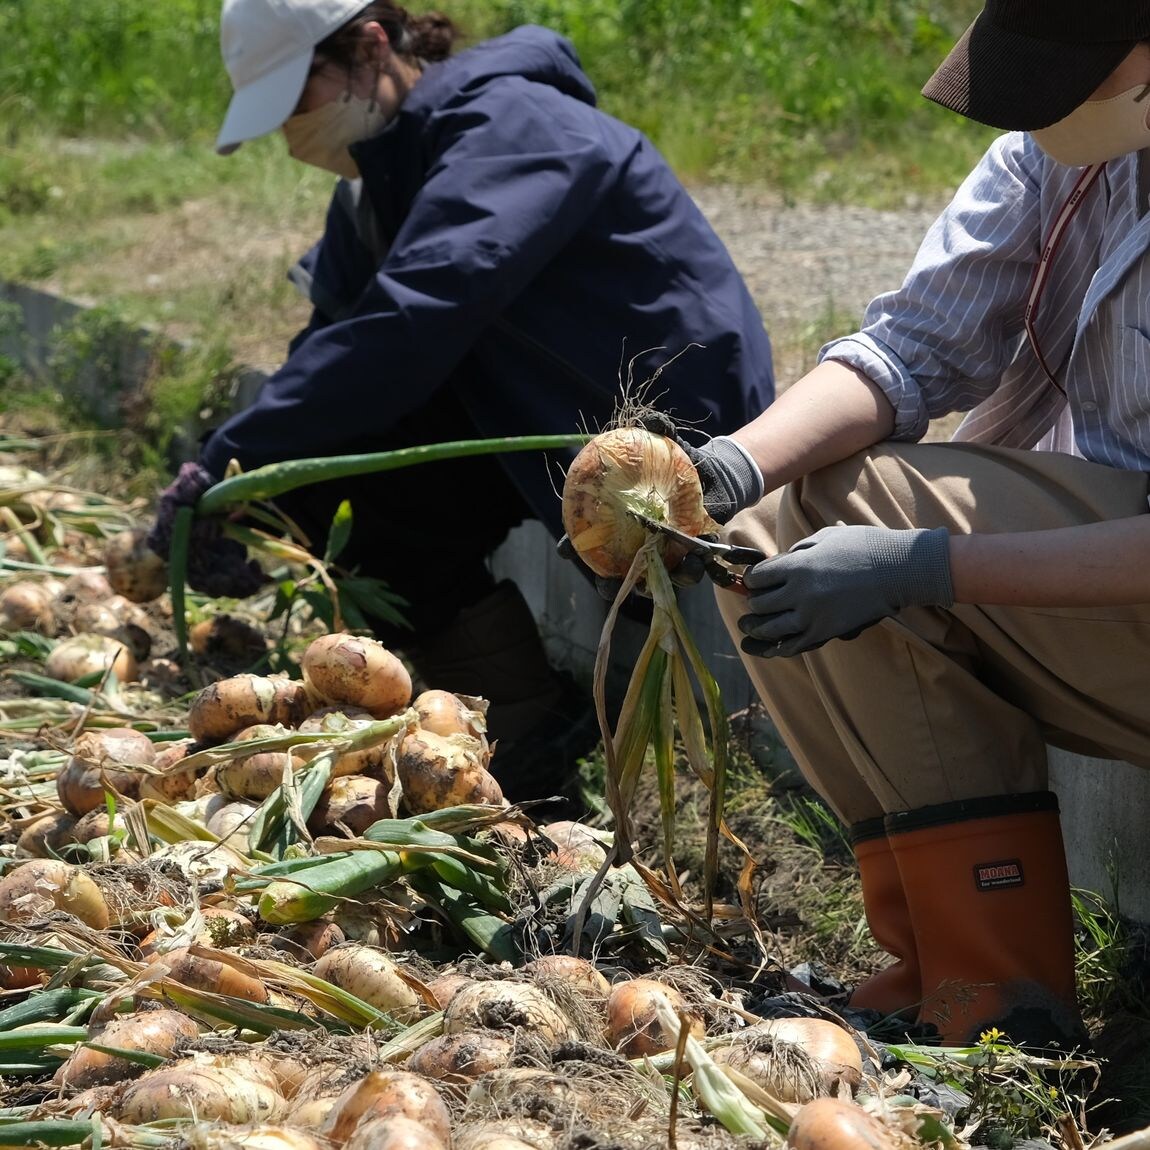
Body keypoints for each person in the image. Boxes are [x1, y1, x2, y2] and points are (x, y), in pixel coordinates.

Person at [590, 1, 1150, 1050]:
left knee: (872, 513)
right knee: (762, 528)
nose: (1039, 111)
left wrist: (926, 563)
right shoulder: (1072, 151)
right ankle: (957, 977)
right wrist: (727, 468)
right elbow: (910, 352)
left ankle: (1000, 998)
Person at [145, 0, 774, 807]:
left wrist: (239, 454)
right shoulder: (381, 179)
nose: (295, 134)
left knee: (326, 451)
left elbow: (409, 325)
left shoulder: (512, 126)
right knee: (320, 479)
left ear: (371, 46)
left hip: (666, 421)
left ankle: (528, 741)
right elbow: (332, 340)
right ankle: (500, 721)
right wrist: (229, 473)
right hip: (531, 406)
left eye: (299, 100)